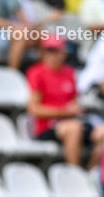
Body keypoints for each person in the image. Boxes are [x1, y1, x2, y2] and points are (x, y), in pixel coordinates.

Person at [27, 35, 99, 168]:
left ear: (63, 52)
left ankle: (91, 172)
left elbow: (73, 102)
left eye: (55, 50)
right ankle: (76, 175)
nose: (51, 55)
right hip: (47, 127)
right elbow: (34, 108)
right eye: (49, 50)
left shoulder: (69, 73)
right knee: (73, 129)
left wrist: (75, 109)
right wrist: (63, 112)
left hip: (68, 121)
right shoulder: (37, 73)